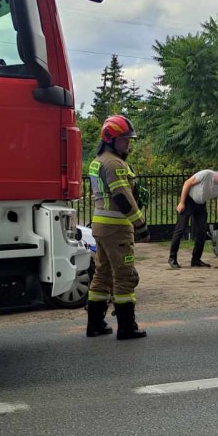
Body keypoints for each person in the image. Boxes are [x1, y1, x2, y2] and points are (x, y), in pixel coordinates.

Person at [86, 114, 148, 340]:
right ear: (111, 139)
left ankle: (95, 324)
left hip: (101, 226)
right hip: (116, 228)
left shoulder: (98, 161)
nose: (129, 143)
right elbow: (122, 197)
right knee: (125, 275)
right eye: (124, 139)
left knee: (102, 274)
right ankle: (126, 326)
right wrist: (140, 224)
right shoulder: (114, 163)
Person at [168, 169, 218, 268]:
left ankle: (196, 260)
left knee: (202, 231)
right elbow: (187, 183)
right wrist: (182, 202)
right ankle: (172, 258)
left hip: (200, 204)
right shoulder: (206, 174)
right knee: (180, 229)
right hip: (189, 200)